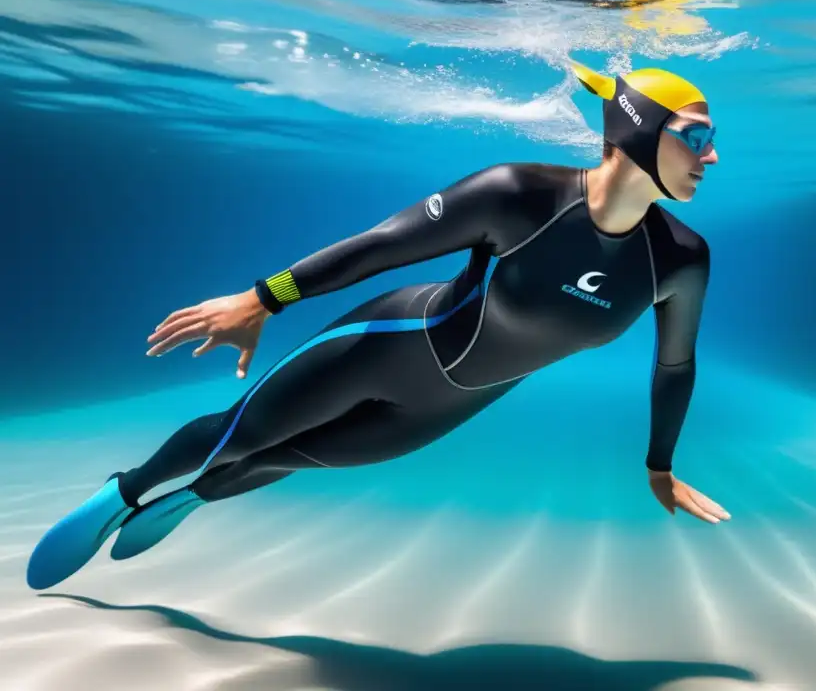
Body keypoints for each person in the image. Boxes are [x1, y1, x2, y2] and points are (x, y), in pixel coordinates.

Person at [27, 59, 730, 591]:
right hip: (385, 347)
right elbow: (381, 246)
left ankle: (191, 499)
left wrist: (660, 468)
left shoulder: (679, 259)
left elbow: (675, 365)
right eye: (696, 136)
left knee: (280, 459)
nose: (712, 156)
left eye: (711, 139)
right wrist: (262, 299)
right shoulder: (518, 195)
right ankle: (125, 489)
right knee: (237, 436)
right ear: (636, 129)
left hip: (449, 405)